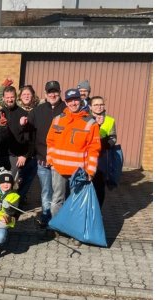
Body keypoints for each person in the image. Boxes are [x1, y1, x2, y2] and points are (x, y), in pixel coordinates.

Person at [46, 88, 101, 245]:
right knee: (57, 200)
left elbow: (93, 149)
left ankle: (75, 233)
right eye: (70, 101)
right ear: (66, 102)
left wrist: (90, 170)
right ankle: (58, 228)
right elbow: (50, 141)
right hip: (57, 169)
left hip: (78, 172)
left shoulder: (90, 123)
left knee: (76, 202)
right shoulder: (57, 119)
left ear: (81, 100)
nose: (73, 103)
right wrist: (50, 160)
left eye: (76, 99)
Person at [27, 81, 66, 231]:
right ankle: (45, 214)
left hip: (59, 161)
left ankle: (58, 220)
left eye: (55, 91)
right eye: (50, 92)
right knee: (46, 191)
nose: (53, 94)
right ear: (45, 94)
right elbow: (28, 132)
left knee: (59, 193)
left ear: (60, 92)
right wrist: (23, 124)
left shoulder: (66, 110)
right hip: (42, 160)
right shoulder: (37, 111)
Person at [0, 86, 35, 200]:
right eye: (7, 97)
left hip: (16, 156)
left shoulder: (23, 114)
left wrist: (25, 155)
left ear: (16, 97)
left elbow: (30, 138)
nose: (9, 99)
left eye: (12, 97)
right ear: (3, 98)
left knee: (12, 184)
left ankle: (11, 209)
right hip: (0, 155)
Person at [89, 96, 117, 208]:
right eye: (96, 105)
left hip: (101, 158)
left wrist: (104, 145)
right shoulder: (85, 118)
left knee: (99, 187)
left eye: (101, 104)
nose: (99, 107)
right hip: (87, 157)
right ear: (90, 107)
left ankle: (97, 211)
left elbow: (113, 138)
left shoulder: (110, 120)